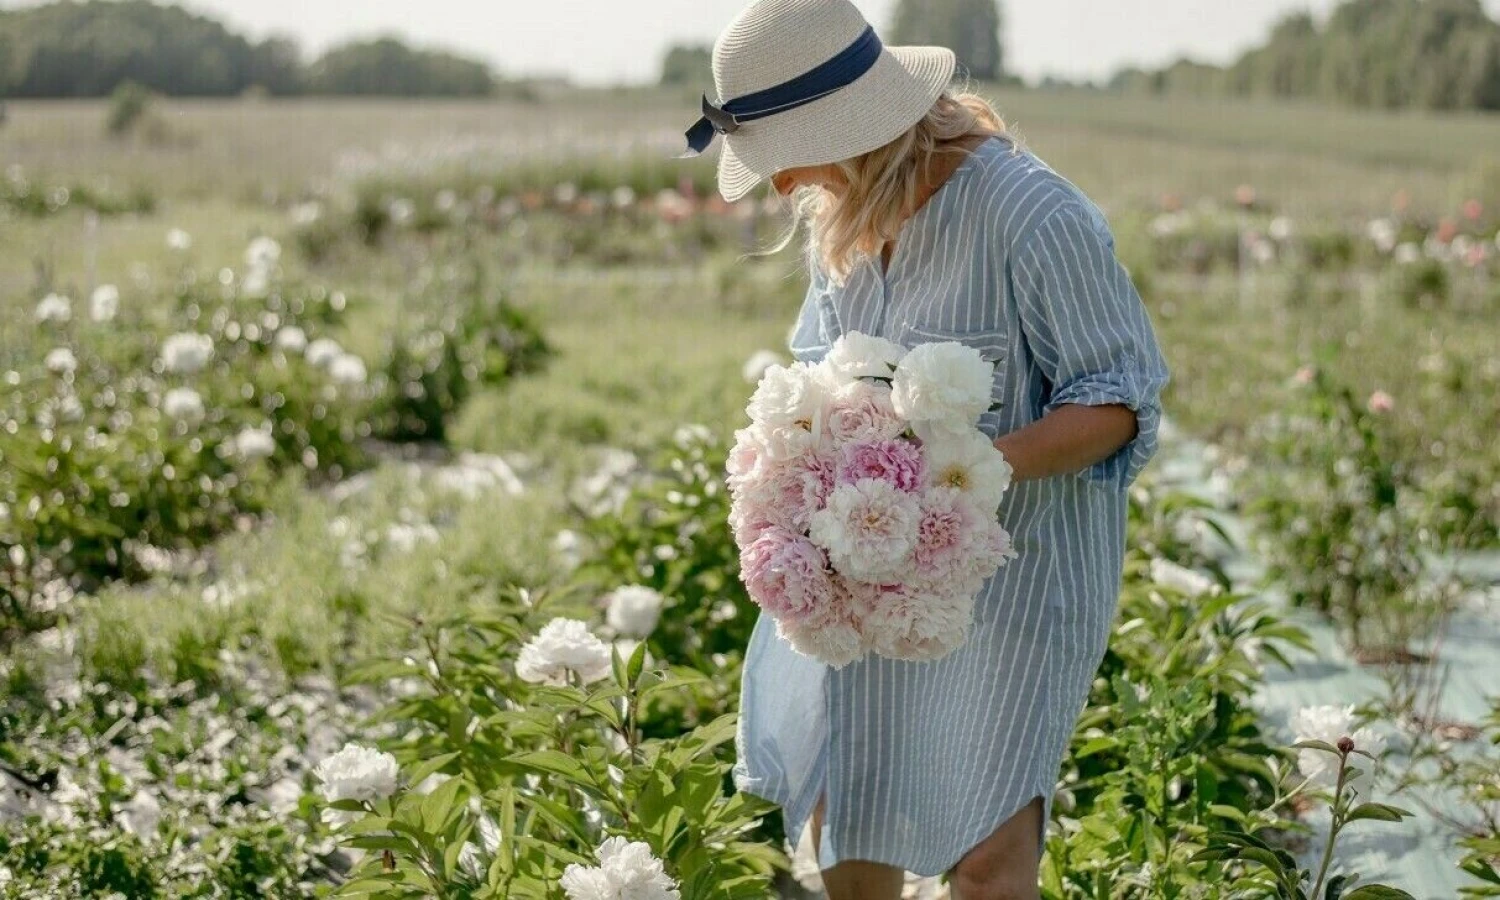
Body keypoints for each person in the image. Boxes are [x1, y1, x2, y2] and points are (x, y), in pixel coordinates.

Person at [680, 1, 1171, 897]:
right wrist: (806, 474)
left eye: (785, 153)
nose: (784, 187)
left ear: (851, 124)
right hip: (873, 571)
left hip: (1021, 579)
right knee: (851, 816)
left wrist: (965, 474)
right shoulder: (846, 217)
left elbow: (1119, 402)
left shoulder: (1030, 214)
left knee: (986, 856)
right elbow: (814, 372)